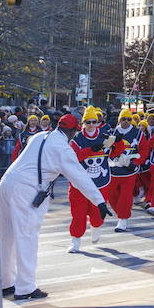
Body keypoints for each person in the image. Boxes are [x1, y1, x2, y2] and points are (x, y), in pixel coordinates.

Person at [0, 113, 110, 300]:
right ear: (74, 132)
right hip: (26, 188)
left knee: (7, 235)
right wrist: (99, 201)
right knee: (27, 237)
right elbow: (79, 176)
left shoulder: (40, 135)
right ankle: (25, 288)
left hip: (7, 181)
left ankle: (6, 282)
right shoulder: (63, 149)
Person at [66, 106, 115, 252]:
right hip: (79, 183)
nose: (92, 125)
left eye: (94, 121)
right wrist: (90, 150)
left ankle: (96, 226)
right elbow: (72, 158)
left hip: (101, 181)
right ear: (83, 123)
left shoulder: (106, 136)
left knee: (97, 213)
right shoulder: (76, 139)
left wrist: (117, 143)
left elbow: (115, 154)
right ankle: (75, 240)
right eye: (88, 122)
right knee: (78, 214)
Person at [104, 110, 154, 232]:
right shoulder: (112, 132)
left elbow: (144, 150)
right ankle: (121, 214)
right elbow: (105, 150)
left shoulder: (138, 133)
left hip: (129, 171)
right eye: (123, 119)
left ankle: (123, 219)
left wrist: (135, 163)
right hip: (114, 169)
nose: (126, 122)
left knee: (125, 196)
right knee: (111, 196)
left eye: (128, 119)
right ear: (119, 120)